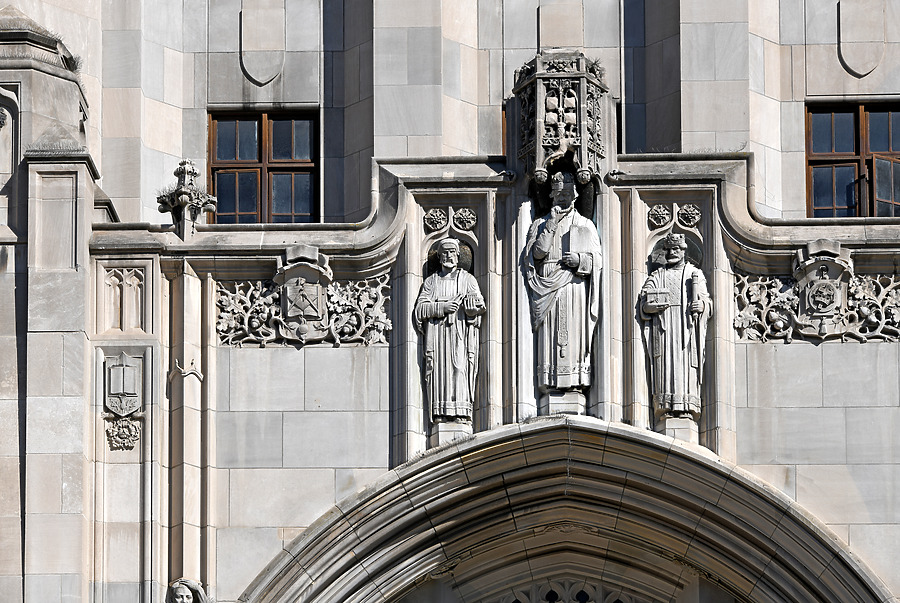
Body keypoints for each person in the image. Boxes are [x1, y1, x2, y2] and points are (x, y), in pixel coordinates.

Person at [524, 171, 602, 398]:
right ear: (551, 196)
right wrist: (551, 224)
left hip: (574, 285)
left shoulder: (585, 224)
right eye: (558, 194)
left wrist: (580, 260)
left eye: (567, 194)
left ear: (575, 195)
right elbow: (536, 254)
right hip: (547, 284)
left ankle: (575, 381)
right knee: (550, 335)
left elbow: (596, 259)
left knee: (573, 332)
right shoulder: (540, 224)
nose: (563, 199)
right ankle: (549, 383)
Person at [640, 232, 712, 422]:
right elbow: (644, 303)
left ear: (683, 251)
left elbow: (706, 301)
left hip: (686, 331)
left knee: (684, 367)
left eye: (676, 249)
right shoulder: (657, 275)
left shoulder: (694, 274)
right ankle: (665, 407)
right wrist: (651, 305)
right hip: (663, 331)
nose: (672, 252)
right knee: (664, 366)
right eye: (669, 249)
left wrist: (702, 306)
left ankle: (686, 406)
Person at [414, 238, 486, 422]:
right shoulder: (431, 282)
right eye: (444, 252)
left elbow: (479, 306)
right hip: (438, 336)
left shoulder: (467, 279)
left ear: (458, 255)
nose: (448, 256)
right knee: (440, 372)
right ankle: (441, 413)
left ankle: (461, 411)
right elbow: (420, 309)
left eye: (452, 252)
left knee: (459, 368)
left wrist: (471, 309)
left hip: (460, 334)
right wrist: (443, 307)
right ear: (438, 257)